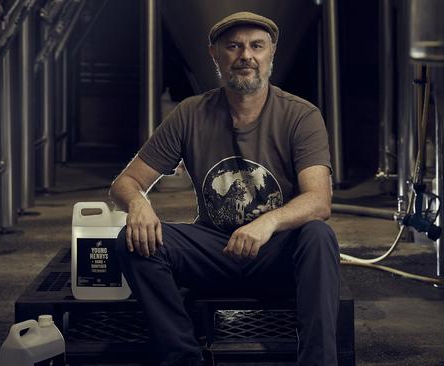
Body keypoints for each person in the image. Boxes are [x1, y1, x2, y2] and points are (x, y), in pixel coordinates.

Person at [110, 11, 340, 366]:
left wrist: (266, 223)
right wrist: (138, 203)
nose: (245, 55)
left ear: (271, 54)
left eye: (256, 46)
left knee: (318, 236)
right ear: (215, 55)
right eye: (233, 46)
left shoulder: (300, 115)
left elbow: (319, 200)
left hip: (275, 253)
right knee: (133, 239)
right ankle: (184, 358)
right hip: (215, 249)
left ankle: (318, 361)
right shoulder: (190, 114)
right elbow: (126, 182)